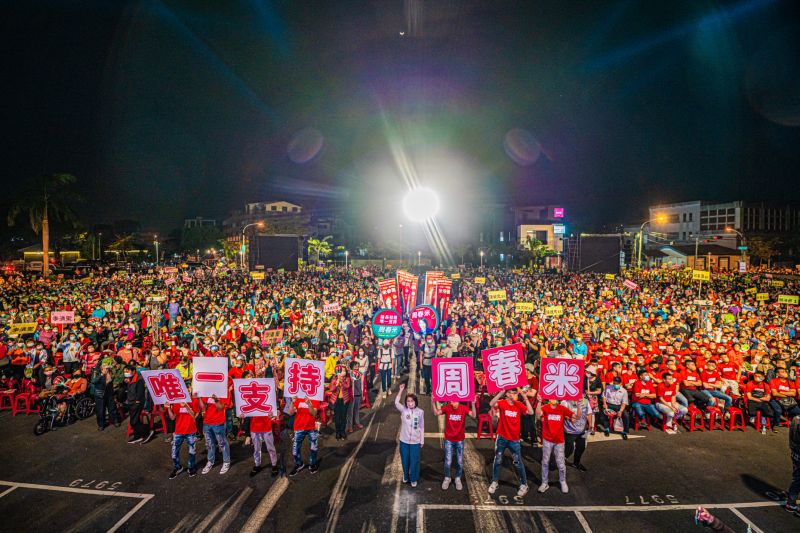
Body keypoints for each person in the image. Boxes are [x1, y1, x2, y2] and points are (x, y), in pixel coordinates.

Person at [488, 387, 534, 496]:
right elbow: (491, 403)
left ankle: (524, 484)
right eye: (511, 393)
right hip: (502, 438)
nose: (513, 395)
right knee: (498, 459)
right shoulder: (502, 403)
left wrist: (524, 397)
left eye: (515, 393)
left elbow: (531, 412)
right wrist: (501, 392)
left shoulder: (519, 405)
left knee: (518, 462)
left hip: (514, 439)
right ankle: (495, 481)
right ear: (507, 394)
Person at [432, 399, 476, 491]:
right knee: (448, 462)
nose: (452, 403)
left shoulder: (463, 408)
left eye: (454, 401)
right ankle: (447, 477)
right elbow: (436, 413)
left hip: (459, 440)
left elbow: (474, 415)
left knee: (460, 462)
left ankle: (457, 478)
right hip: (448, 439)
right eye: (451, 401)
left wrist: (473, 403)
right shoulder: (447, 408)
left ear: (459, 401)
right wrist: (433, 402)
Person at [538, 398, 576, 493]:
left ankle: (562, 481)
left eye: (555, 397)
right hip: (547, 439)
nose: (553, 399)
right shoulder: (545, 407)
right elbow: (538, 415)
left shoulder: (562, 408)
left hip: (559, 440)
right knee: (545, 462)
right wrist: (539, 401)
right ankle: (544, 482)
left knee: (561, 463)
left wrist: (579, 405)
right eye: (551, 397)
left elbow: (575, 416)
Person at [394, 383, 424, 487]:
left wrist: (422, 440)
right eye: (408, 401)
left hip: (415, 442)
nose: (410, 403)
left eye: (412, 401)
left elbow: (422, 427)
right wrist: (401, 390)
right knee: (405, 460)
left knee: (415, 461)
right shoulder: (403, 410)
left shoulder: (420, 412)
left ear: (415, 402)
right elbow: (396, 402)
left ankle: (414, 478)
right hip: (404, 441)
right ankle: (406, 476)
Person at [166, 396, 200, 478]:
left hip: (191, 431)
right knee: (174, 453)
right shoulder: (176, 402)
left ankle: (191, 468)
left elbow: (194, 416)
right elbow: (172, 417)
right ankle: (178, 467)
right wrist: (168, 408)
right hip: (178, 431)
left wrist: (186, 406)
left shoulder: (193, 400)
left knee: (192, 452)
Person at [288, 395, 321, 476]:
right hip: (299, 427)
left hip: (311, 428)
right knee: (295, 451)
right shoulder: (298, 397)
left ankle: (312, 463)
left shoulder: (316, 397)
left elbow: (313, 414)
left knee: (314, 448)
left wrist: (309, 404)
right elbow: (290, 413)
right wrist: (292, 402)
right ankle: (299, 464)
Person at [199, 394, 231, 475]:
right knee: (209, 444)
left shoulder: (223, 391)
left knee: (222, 443)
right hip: (207, 422)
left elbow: (220, 408)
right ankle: (210, 461)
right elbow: (203, 408)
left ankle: (226, 461)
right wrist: (199, 397)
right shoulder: (207, 391)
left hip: (219, 422)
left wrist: (216, 400)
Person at [563, 395, 593, 472]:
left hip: (581, 430)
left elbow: (589, 413)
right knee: (569, 449)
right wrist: (569, 418)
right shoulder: (565, 401)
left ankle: (576, 463)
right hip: (570, 430)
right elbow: (563, 413)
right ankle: (560, 460)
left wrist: (590, 423)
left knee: (581, 447)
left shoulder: (585, 401)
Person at [123, 364, 151, 444]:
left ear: (133, 371)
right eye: (125, 371)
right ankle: (141, 433)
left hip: (136, 403)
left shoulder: (139, 379)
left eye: (127, 371)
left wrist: (137, 401)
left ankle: (144, 433)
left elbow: (140, 392)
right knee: (135, 419)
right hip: (131, 402)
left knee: (133, 422)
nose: (125, 373)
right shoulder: (129, 378)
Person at [249, 413, 279, 477]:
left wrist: (275, 414)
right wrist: (242, 414)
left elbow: (275, 410)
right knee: (256, 449)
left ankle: (274, 464)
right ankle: (257, 465)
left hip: (266, 426)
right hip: (254, 427)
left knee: (270, 448)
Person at [91, 361, 118, 430]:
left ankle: (115, 421)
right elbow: (93, 381)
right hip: (100, 395)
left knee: (112, 408)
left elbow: (113, 378)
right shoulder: (96, 372)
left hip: (109, 394)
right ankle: (101, 425)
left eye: (106, 368)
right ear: (101, 369)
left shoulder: (110, 372)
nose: (106, 369)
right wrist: (102, 375)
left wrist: (110, 371)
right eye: (104, 368)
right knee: (100, 410)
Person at [329, 366, 352, 440]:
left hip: (345, 400)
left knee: (343, 417)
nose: (343, 372)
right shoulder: (334, 378)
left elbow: (347, 386)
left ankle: (343, 431)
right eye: (341, 371)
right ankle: (338, 432)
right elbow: (331, 389)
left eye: (344, 371)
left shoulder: (347, 378)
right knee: (337, 417)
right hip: (336, 400)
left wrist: (341, 381)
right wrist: (336, 383)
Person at [347, 361, 365, 433]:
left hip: (358, 394)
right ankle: (350, 426)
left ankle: (357, 422)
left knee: (357, 410)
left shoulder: (360, 374)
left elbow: (362, 385)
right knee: (350, 411)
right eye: (355, 366)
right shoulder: (349, 374)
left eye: (357, 365)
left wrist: (362, 394)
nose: (357, 367)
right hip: (351, 395)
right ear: (352, 366)